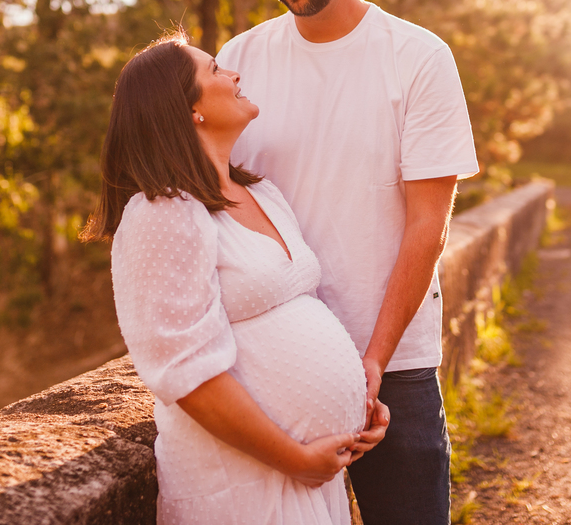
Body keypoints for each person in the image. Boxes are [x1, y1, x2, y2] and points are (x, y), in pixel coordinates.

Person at [217, 0, 479, 525]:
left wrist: (373, 360)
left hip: (396, 366)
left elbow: (428, 226)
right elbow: (216, 207)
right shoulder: (238, 62)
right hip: (275, 365)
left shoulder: (418, 58)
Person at [81, 32, 388, 525]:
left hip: (312, 477)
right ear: (189, 110)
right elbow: (185, 371)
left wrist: (358, 405)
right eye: (215, 70)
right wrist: (293, 457)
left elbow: (299, 318)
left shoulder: (263, 193)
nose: (234, 74)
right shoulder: (162, 211)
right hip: (243, 483)